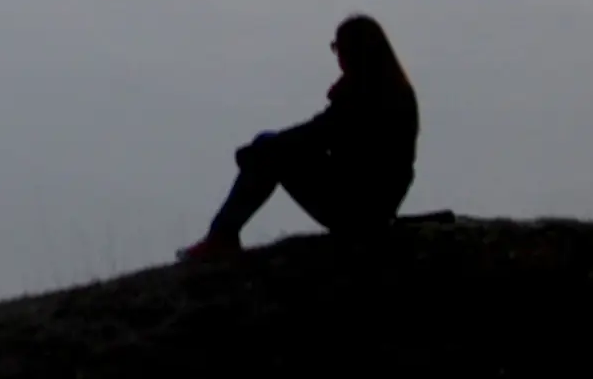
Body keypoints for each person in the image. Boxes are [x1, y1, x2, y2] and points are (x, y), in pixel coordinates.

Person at [179, 14, 419, 261]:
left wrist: (264, 150)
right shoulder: (391, 89)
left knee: (270, 149)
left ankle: (222, 237)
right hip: (374, 205)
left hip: (356, 207)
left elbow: (318, 134)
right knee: (270, 146)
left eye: (339, 48)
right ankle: (222, 235)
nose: (337, 56)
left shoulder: (365, 95)